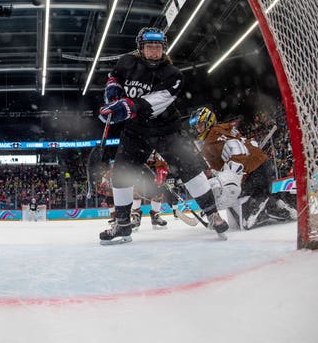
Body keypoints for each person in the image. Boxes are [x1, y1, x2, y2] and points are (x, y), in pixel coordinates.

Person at [97, 27, 228, 244]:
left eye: (158, 48)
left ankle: (213, 215)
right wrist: (112, 94)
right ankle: (122, 224)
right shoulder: (127, 62)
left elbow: (152, 104)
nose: (154, 52)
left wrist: (124, 107)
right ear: (141, 47)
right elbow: (115, 78)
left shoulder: (173, 75)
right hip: (135, 131)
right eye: (149, 47)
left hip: (167, 130)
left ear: (163, 49)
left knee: (191, 168)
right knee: (121, 173)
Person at [189, 107, 297, 229]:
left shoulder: (214, 134)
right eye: (196, 127)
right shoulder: (221, 130)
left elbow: (236, 149)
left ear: (208, 121)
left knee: (243, 212)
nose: (198, 129)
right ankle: (277, 204)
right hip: (259, 167)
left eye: (200, 125)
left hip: (255, 171)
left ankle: (277, 202)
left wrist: (231, 176)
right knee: (239, 211)